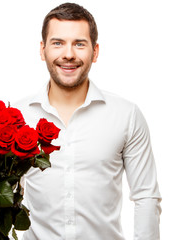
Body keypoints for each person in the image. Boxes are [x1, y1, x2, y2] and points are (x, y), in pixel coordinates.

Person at [14, 2, 161, 240]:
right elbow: (4, 194)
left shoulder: (126, 115)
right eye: (58, 43)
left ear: (95, 52)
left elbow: (146, 197)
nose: (69, 54)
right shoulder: (17, 116)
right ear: (42, 50)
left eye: (79, 44)